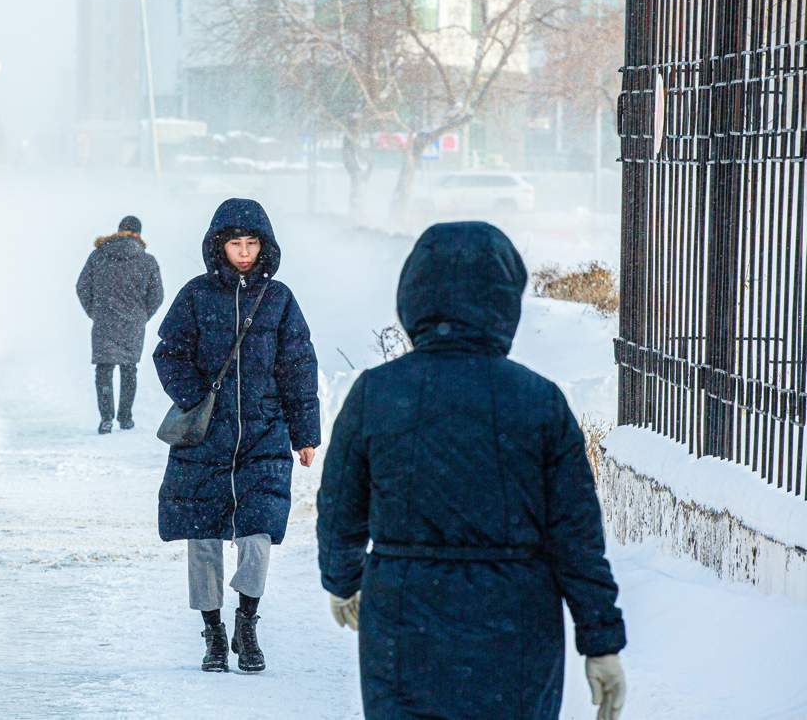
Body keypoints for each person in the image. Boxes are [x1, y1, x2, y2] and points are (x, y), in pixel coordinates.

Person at [316, 221, 627, 720]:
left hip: (403, 615)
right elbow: (577, 538)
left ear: (412, 295)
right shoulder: (539, 401)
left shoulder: (377, 393)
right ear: (506, 300)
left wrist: (343, 580)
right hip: (516, 620)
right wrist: (601, 641)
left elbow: (339, 510)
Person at [153, 198, 320, 674]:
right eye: (235, 244)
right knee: (201, 537)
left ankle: (247, 622)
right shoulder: (195, 295)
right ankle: (212, 631)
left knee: (258, 533)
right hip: (205, 438)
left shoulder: (281, 299)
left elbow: (298, 367)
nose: (243, 252)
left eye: (251, 244)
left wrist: (304, 433)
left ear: (264, 246)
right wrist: (194, 395)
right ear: (219, 246)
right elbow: (169, 353)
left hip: (265, 435)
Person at [76, 215, 164, 434]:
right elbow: (157, 296)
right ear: (138, 234)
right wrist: (142, 316)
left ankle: (106, 419)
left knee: (104, 370)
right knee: (129, 369)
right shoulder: (148, 260)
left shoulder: (98, 255)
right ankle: (125, 417)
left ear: (118, 230)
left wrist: (95, 312)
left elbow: (82, 286)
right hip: (134, 324)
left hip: (104, 321)